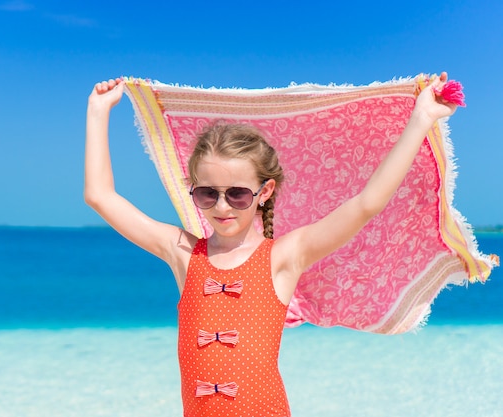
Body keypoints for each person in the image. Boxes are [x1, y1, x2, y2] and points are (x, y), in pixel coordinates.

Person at [84, 73, 457, 417]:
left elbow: (366, 204)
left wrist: (422, 118)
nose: (222, 206)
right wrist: (98, 112)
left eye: (237, 194)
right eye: (207, 194)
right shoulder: (184, 253)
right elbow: (100, 196)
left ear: (264, 192)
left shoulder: (283, 257)